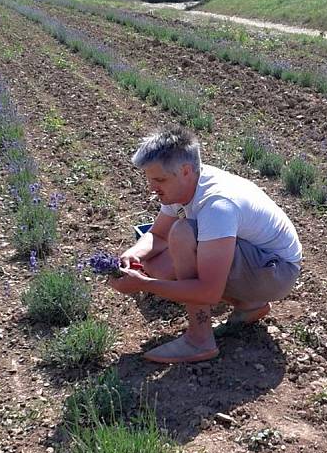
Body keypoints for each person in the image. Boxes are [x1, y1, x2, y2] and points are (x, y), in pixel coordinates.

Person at [109, 127, 302, 364]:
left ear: (185, 171)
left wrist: (144, 285)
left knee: (181, 234)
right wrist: (132, 254)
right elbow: (157, 235)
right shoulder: (184, 185)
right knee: (154, 262)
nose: (152, 187)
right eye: (149, 179)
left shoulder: (217, 204)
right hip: (257, 261)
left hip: (276, 272)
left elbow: (208, 291)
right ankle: (249, 305)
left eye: (159, 180)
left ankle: (199, 340)